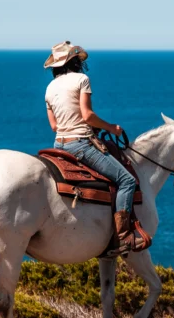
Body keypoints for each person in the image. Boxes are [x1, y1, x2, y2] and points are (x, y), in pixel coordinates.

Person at [44, 40, 144, 255]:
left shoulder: (50, 88)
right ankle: (124, 237)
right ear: (73, 61)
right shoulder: (82, 80)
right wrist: (111, 128)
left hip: (59, 144)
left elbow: (54, 126)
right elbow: (87, 115)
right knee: (126, 180)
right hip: (79, 144)